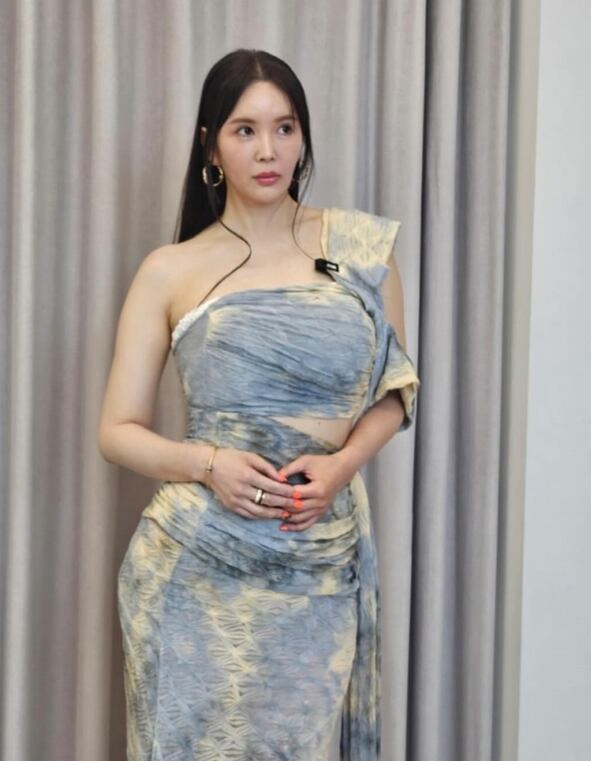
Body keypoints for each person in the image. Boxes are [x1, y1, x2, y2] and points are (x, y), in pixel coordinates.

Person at [98, 48, 420, 761]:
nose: (268, 150)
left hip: (318, 561)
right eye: (245, 130)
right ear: (211, 146)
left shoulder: (362, 249)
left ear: (303, 137)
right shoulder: (170, 269)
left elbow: (396, 391)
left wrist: (342, 466)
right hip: (195, 567)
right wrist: (208, 464)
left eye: (285, 128)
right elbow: (116, 430)